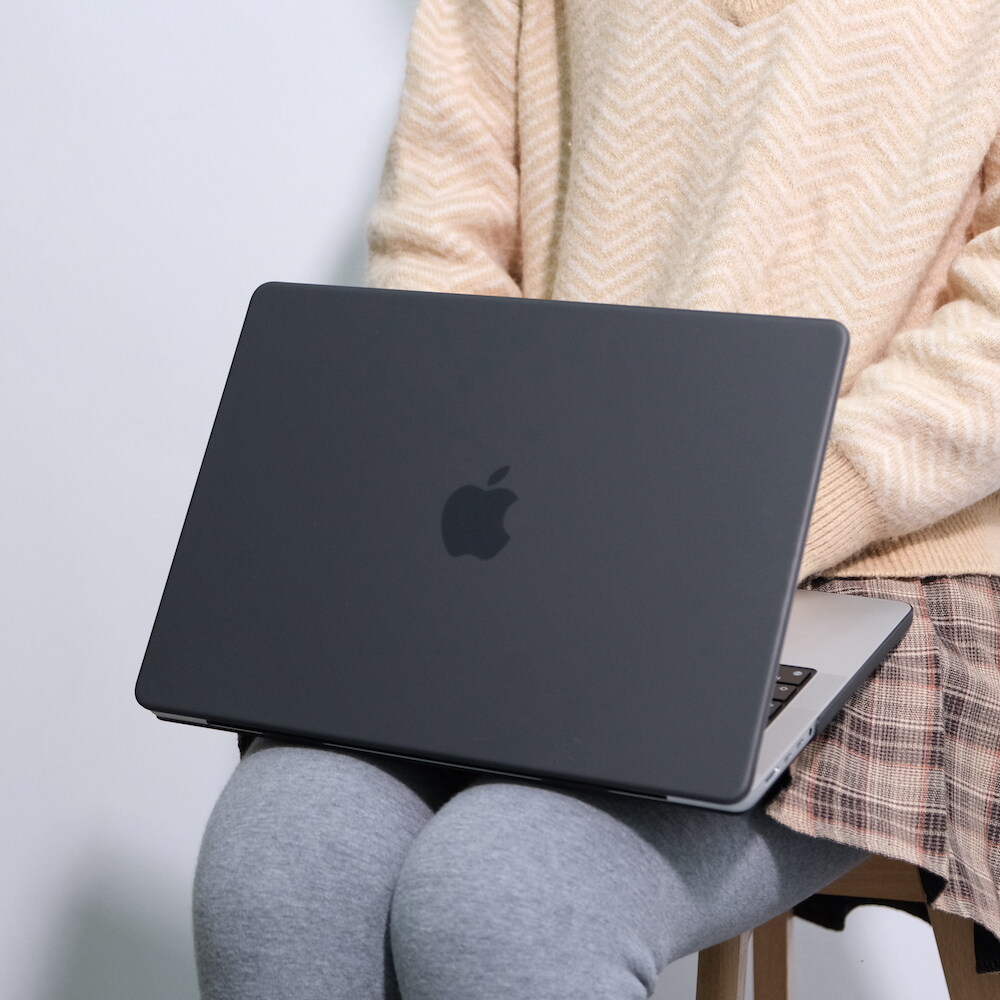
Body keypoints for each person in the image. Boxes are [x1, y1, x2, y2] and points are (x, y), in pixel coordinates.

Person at [191, 2, 1000, 997]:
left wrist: (786, 509)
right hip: (541, 547)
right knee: (277, 870)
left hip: (882, 567)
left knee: (502, 899)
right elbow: (436, 246)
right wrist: (551, 512)